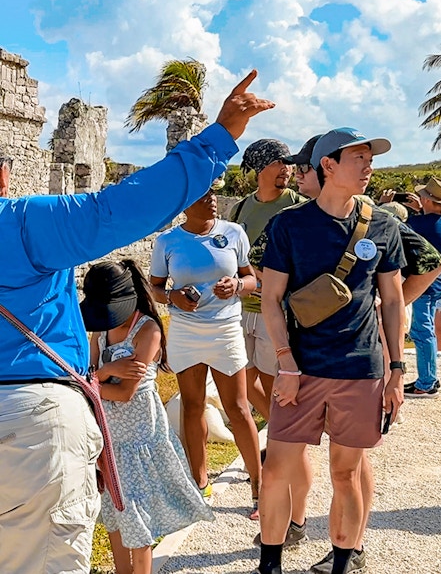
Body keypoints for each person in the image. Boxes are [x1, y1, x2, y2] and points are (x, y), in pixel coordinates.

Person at [0, 70, 274, 574]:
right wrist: (220, 136)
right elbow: (121, 209)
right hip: (26, 418)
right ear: (4, 176)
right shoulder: (18, 222)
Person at [250, 135, 441, 573]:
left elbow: (393, 301)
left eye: (370, 159)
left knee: (347, 473)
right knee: (277, 469)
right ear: (328, 166)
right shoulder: (289, 225)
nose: (368, 166)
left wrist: (396, 369)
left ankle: (342, 563)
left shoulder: (384, 226)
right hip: (301, 368)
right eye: (359, 157)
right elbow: (271, 298)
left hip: (361, 369)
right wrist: (285, 362)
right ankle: (269, 566)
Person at [81, 259, 212, 574]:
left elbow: (124, 392)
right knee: (113, 511)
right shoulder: (101, 328)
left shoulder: (148, 329)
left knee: (136, 513)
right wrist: (108, 372)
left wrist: (96, 380)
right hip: (110, 435)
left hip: (140, 435)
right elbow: (91, 378)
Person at [150, 185, 261, 518]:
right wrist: (172, 298)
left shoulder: (234, 233)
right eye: (202, 196)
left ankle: (259, 484)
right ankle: (199, 482)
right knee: (192, 405)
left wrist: (238, 286)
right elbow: (155, 287)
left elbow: (251, 279)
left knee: (239, 408)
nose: (211, 200)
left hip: (226, 330)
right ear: (185, 204)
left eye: (213, 194)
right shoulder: (167, 241)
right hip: (186, 330)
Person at [229, 139, 306, 423]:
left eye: (289, 162)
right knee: (245, 381)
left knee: (277, 381)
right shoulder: (238, 211)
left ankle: (283, 442)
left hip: (278, 311)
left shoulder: (299, 207)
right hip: (241, 308)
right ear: (259, 166)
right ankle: (279, 430)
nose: (286, 168)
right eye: (278, 162)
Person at [404, 177, 441, 398]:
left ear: (426, 199)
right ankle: (429, 378)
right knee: (427, 332)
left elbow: (403, 230)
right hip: (436, 283)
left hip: (420, 285)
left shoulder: (418, 224)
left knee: (421, 332)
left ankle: (426, 383)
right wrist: (421, 210)